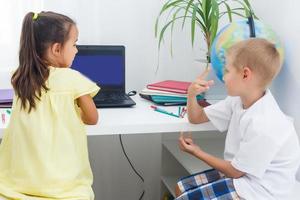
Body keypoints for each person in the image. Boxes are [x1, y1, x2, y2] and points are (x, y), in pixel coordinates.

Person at [175, 38, 300, 200]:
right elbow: (197, 117)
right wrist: (191, 95)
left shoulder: (265, 123)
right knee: (180, 188)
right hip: (242, 175)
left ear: (245, 74)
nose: (223, 77)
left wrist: (197, 152)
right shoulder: (238, 100)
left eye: (227, 70)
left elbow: (235, 171)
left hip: (261, 191)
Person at [0, 11, 100, 200]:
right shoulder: (73, 79)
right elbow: (92, 118)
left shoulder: (20, 77)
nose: (76, 50)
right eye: (74, 44)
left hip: (15, 185)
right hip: (64, 189)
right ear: (56, 49)